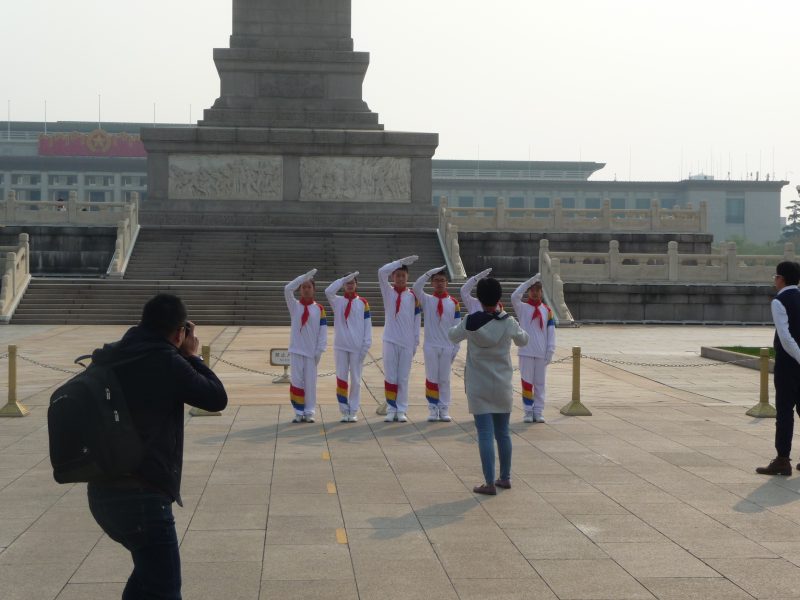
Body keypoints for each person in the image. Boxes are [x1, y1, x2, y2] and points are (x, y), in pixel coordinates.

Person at [86, 293, 228, 600]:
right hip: (143, 496)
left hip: (101, 492)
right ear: (179, 332)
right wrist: (192, 356)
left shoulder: (113, 354)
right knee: (164, 588)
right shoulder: (167, 361)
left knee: (147, 577)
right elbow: (216, 397)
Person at [448, 277, 528, 495]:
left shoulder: (470, 321)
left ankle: (489, 482)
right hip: (501, 383)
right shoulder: (508, 321)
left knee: (484, 432)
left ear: (479, 299)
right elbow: (524, 340)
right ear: (499, 297)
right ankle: (505, 477)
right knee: (503, 432)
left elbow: (452, 336)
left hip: (478, 384)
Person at [757, 261, 800, 476]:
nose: (774, 280)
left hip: (788, 364)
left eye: (775, 276)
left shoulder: (779, 300)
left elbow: (785, 337)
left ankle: (783, 460)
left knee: (785, 412)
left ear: (781, 278)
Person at [413, 266, 461, 421]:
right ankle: (433, 408)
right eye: (436, 281)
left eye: (442, 281)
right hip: (431, 345)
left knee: (445, 379)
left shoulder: (453, 303)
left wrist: (456, 346)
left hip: (447, 345)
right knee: (432, 377)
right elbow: (415, 287)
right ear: (432, 283)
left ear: (447, 283)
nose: (439, 283)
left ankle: (444, 408)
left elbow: (457, 326)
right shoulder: (427, 300)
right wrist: (429, 272)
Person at [325, 271, 372, 422]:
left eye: (352, 282)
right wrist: (342, 279)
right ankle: (344, 410)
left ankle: (353, 410)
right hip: (341, 346)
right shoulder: (337, 301)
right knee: (341, 379)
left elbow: (367, 326)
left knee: (356, 380)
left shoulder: (362, 302)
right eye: (347, 283)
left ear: (356, 285)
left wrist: (366, 345)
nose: (350, 285)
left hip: (357, 347)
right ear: (344, 285)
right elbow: (328, 291)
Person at [379, 256, 421, 422]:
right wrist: (398, 262)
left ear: (407, 278)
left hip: (406, 342)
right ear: (393, 277)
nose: (400, 278)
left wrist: (415, 342)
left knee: (403, 377)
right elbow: (381, 272)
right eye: (397, 275)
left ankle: (401, 409)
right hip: (390, 340)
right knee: (390, 376)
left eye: (403, 275)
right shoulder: (387, 292)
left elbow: (417, 320)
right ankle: (391, 408)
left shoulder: (413, 296)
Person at [511, 274, 556, 423]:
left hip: (541, 352)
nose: (535, 292)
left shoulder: (547, 310)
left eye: (538, 290)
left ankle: (538, 411)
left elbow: (551, 332)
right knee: (527, 383)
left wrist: (550, 350)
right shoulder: (522, 308)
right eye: (532, 290)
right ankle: (528, 411)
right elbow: (514, 296)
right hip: (526, 352)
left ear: (542, 292)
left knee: (540, 384)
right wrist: (529, 281)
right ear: (528, 291)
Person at [285, 269, 328, 423]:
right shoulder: (294, 306)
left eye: (309, 286)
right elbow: (287, 289)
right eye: (303, 287)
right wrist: (302, 277)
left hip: (311, 352)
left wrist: (319, 350)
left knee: (310, 383)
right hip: (296, 350)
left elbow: (323, 332)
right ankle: (298, 411)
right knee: (296, 381)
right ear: (300, 289)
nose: (306, 289)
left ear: (314, 289)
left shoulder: (319, 309)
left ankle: (309, 411)